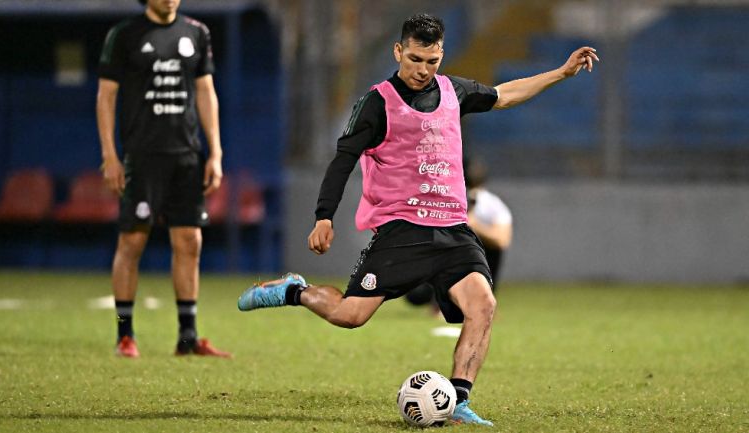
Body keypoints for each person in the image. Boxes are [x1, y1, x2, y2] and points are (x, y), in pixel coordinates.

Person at [238, 13, 598, 425]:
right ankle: (294, 291)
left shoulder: (452, 91)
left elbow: (504, 94)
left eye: (431, 61)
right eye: (414, 59)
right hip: (401, 230)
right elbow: (343, 160)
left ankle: (458, 401)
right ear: (398, 51)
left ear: (440, 55)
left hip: (453, 229)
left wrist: (562, 72)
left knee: (483, 305)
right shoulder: (376, 103)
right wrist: (324, 216)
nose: (423, 70)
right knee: (349, 316)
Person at [97, 0, 230, 358]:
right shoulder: (124, 35)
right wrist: (110, 155)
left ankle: (188, 339)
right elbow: (106, 96)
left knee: (190, 242)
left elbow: (205, 92)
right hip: (142, 157)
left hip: (186, 156)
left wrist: (214, 152)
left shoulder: (197, 33)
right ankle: (125, 336)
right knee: (132, 243)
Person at [405, 157, 512, 308]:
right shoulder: (445, 197)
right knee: (416, 294)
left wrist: (473, 226)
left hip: (474, 262)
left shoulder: (489, 204)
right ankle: (441, 298)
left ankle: (467, 297)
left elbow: (501, 241)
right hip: (445, 261)